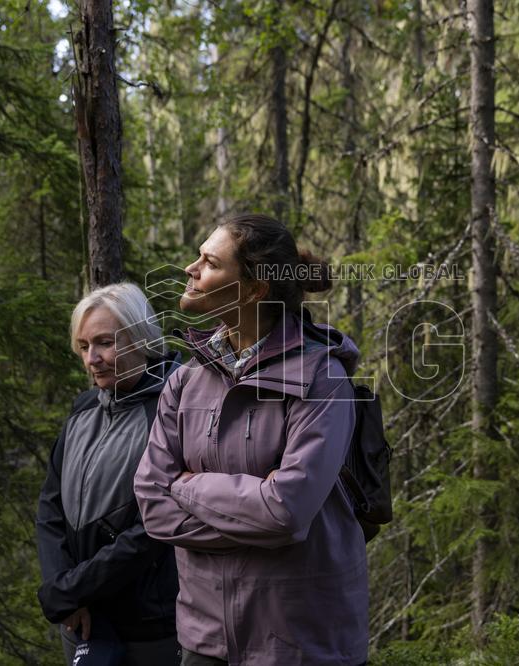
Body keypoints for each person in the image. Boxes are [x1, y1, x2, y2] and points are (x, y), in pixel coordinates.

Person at [135, 213, 369, 666]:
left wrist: (187, 487)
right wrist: (255, 521)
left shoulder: (321, 378)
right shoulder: (187, 380)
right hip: (205, 639)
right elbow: (152, 505)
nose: (191, 269)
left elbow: (285, 512)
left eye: (210, 262)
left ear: (254, 289)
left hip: (301, 641)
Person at [36, 283, 183, 666]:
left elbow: (155, 528)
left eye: (105, 342)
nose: (92, 359)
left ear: (142, 338)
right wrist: (63, 589)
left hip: (151, 624)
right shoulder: (84, 409)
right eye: (84, 346)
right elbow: (50, 508)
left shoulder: (173, 409)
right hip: (83, 621)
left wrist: (71, 590)